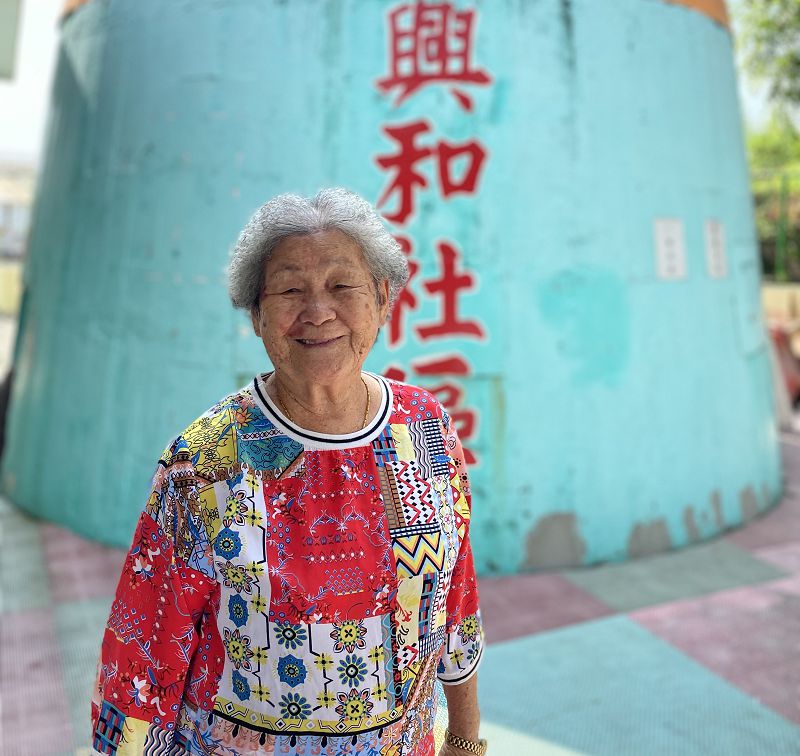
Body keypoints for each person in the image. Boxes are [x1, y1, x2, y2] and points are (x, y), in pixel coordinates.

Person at [91, 188, 485, 756]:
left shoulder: (425, 428)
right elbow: (143, 654)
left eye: (342, 286)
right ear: (257, 314)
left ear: (382, 298)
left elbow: (456, 597)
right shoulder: (203, 462)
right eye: (290, 290)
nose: (318, 312)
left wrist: (465, 740)